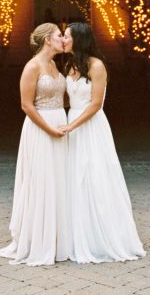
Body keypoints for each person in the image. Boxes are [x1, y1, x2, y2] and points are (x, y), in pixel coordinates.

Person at [61, 21, 145, 263]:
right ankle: (78, 233)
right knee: (74, 177)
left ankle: (101, 236)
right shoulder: (70, 64)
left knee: (95, 176)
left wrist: (72, 125)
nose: (63, 39)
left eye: (66, 36)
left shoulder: (97, 66)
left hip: (90, 125)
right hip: (72, 121)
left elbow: (96, 104)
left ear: (78, 39)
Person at [0, 23, 69, 266]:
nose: (63, 39)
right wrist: (49, 129)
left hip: (60, 122)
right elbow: (26, 105)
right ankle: (38, 238)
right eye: (59, 35)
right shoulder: (32, 66)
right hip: (40, 128)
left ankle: (58, 236)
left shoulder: (54, 65)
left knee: (58, 180)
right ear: (47, 39)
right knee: (41, 180)